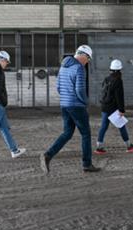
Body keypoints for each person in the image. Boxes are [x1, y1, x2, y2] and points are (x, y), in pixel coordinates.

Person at [40, 45, 102, 174]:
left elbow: (58, 87)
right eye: (88, 59)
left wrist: (66, 97)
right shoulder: (79, 68)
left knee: (67, 133)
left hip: (65, 105)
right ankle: (87, 164)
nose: (87, 62)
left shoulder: (63, 67)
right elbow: (80, 90)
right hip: (77, 106)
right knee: (86, 134)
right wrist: (86, 102)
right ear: (84, 55)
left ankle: (48, 155)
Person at [95, 59, 133, 155]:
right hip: (113, 108)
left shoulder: (106, 79)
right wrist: (121, 110)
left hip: (104, 106)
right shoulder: (118, 80)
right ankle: (129, 146)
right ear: (119, 70)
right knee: (121, 126)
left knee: (103, 126)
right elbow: (119, 97)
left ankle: (99, 147)